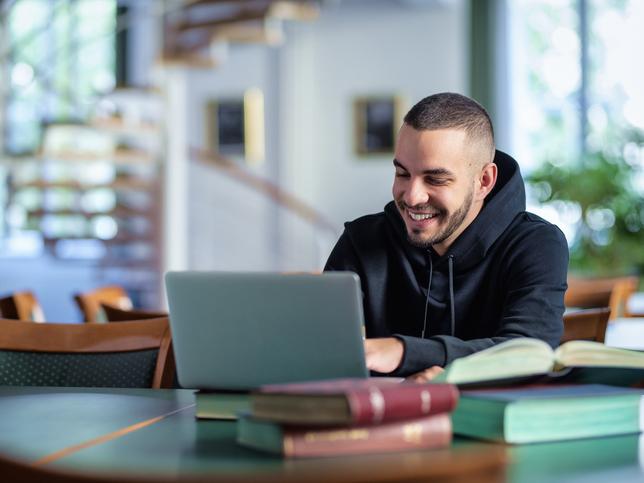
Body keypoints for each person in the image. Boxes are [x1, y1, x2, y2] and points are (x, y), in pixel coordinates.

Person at [324, 92, 568, 379]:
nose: (412, 197)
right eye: (403, 174)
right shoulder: (361, 240)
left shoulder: (536, 245)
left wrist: (403, 352)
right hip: (374, 419)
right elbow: (320, 350)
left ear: (484, 181)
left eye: (436, 179)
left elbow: (528, 354)